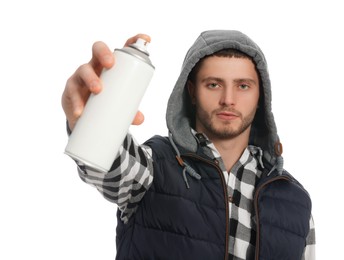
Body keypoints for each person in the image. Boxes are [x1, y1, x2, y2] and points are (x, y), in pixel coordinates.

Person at [62, 30, 315, 260]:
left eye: (243, 86)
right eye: (214, 84)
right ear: (192, 91)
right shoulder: (153, 168)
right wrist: (87, 118)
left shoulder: (296, 200)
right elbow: (106, 161)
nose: (228, 99)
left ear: (261, 96)